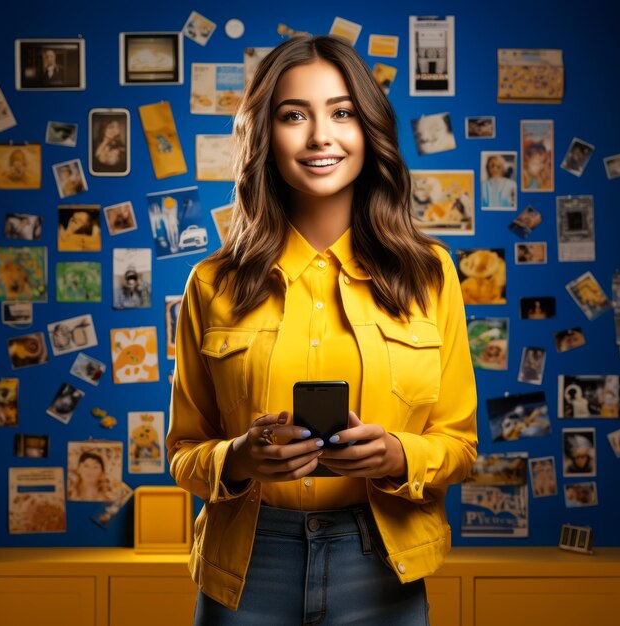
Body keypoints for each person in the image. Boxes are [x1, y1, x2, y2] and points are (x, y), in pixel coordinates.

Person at [166, 35, 477, 625]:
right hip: (247, 568)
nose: (319, 137)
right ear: (266, 136)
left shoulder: (430, 273)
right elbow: (184, 452)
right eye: (293, 116)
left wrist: (395, 456)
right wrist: (238, 458)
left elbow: (460, 447)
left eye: (342, 112)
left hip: (382, 563)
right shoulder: (211, 284)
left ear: (370, 131)